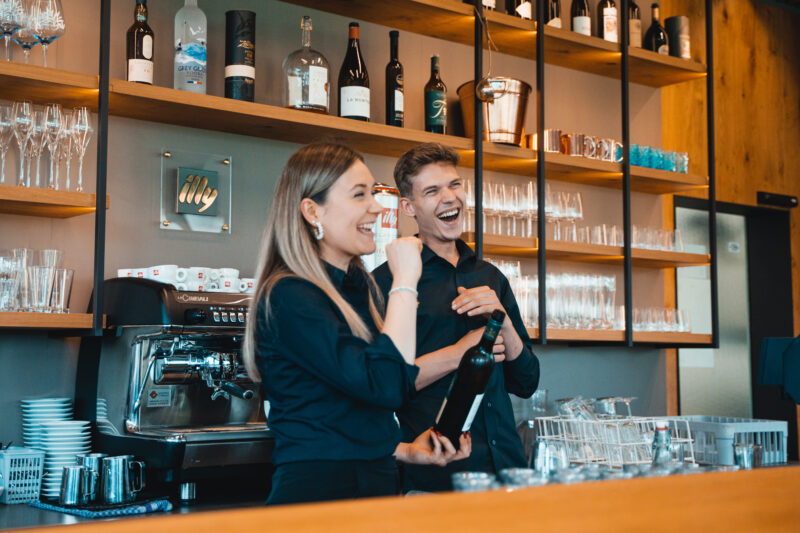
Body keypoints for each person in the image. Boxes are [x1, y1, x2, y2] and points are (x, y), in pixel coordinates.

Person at [242, 142, 470, 506]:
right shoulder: (289, 295)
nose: (377, 206)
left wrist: (406, 451)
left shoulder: (356, 285)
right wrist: (407, 279)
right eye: (359, 194)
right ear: (312, 211)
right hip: (318, 497)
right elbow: (385, 386)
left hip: (372, 486)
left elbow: (378, 388)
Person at [374, 143, 540, 492]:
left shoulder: (492, 277)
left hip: (508, 472)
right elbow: (380, 387)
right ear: (408, 207)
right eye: (432, 191)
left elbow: (525, 382)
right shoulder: (389, 281)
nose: (450, 198)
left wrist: (504, 321)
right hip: (436, 477)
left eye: (455, 185)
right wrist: (458, 354)